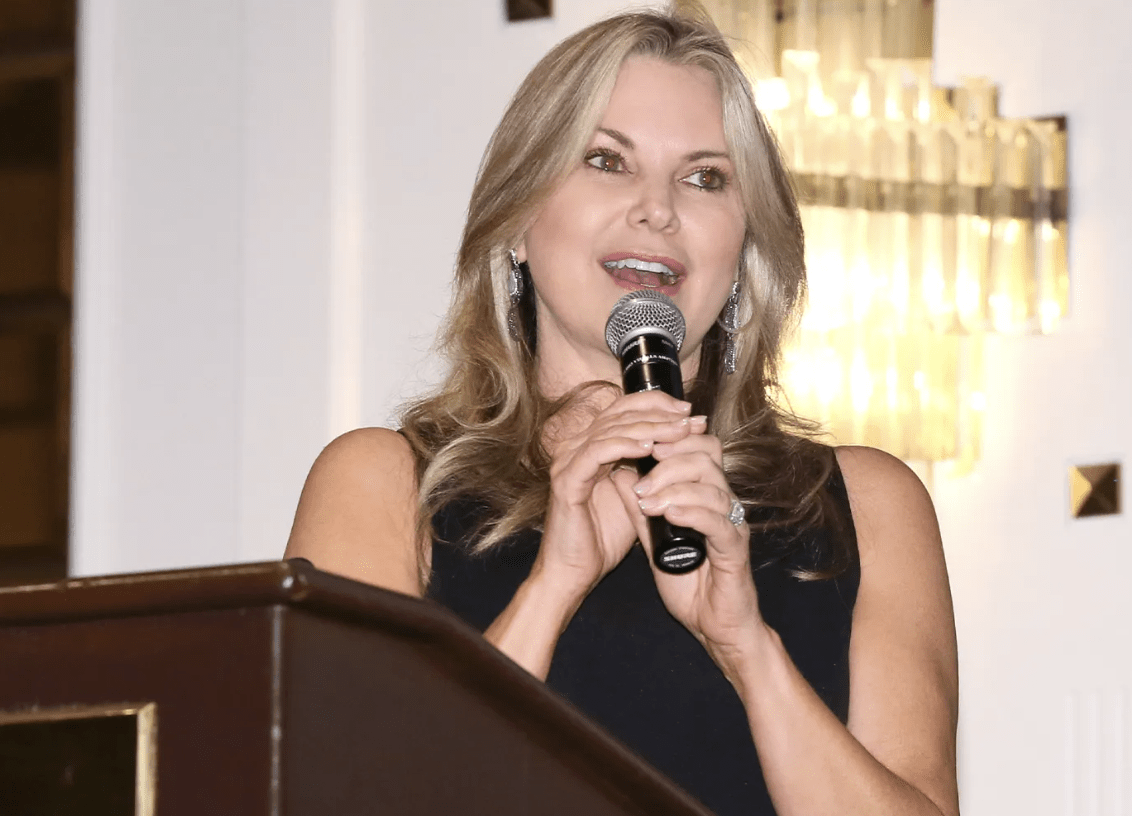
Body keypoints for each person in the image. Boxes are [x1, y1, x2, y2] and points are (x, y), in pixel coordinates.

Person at [285, 5, 958, 815]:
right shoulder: (385, 485)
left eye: (704, 178)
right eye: (607, 161)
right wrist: (550, 589)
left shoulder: (864, 504)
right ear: (518, 222)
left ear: (743, 250)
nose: (657, 209)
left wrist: (747, 648)